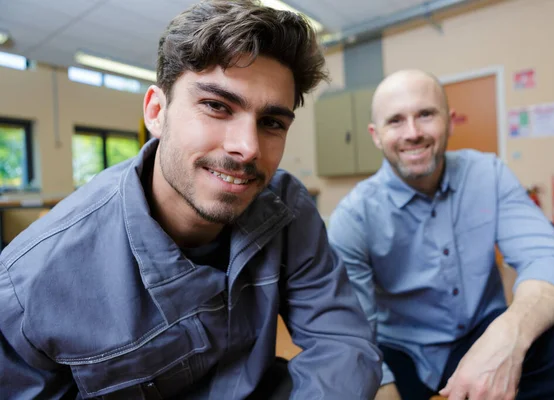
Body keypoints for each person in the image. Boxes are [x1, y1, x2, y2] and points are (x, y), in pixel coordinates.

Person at [0, 1, 383, 399]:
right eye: (217, 106)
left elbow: (345, 345)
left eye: (271, 123)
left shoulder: (287, 208)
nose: (247, 148)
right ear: (156, 111)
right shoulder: (28, 289)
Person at [328, 69, 554, 400]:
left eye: (426, 114)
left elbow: (552, 263)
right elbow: (354, 335)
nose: (413, 133)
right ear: (375, 134)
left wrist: (508, 334)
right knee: (341, 383)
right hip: (403, 350)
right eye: (395, 121)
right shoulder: (353, 217)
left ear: (450, 121)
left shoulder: (489, 175)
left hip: (483, 330)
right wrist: (382, 388)